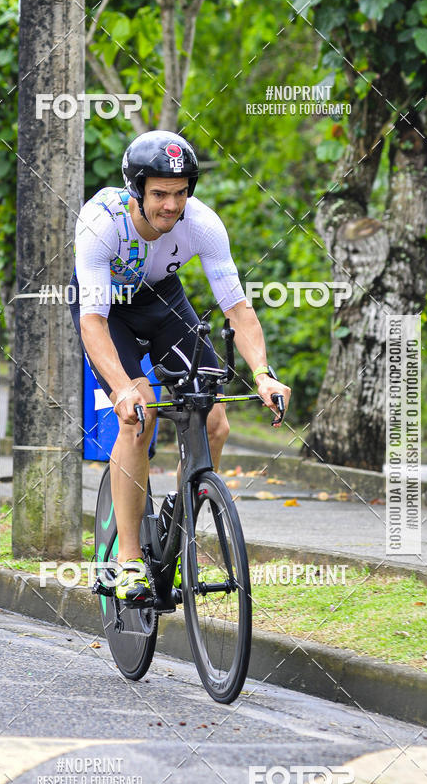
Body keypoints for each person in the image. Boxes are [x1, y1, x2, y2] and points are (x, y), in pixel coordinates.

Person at [71, 130, 291, 602]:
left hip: (164, 305)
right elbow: (91, 321)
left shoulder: (204, 224)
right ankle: (127, 560)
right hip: (109, 312)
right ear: (136, 189)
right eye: (159, 194)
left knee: (214, 421)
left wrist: (263, 373)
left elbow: (238, 309)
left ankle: (179, 517)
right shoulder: (101, 222)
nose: (171, 205)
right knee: (140, 412)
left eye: (180, 193)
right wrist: (123, 387)